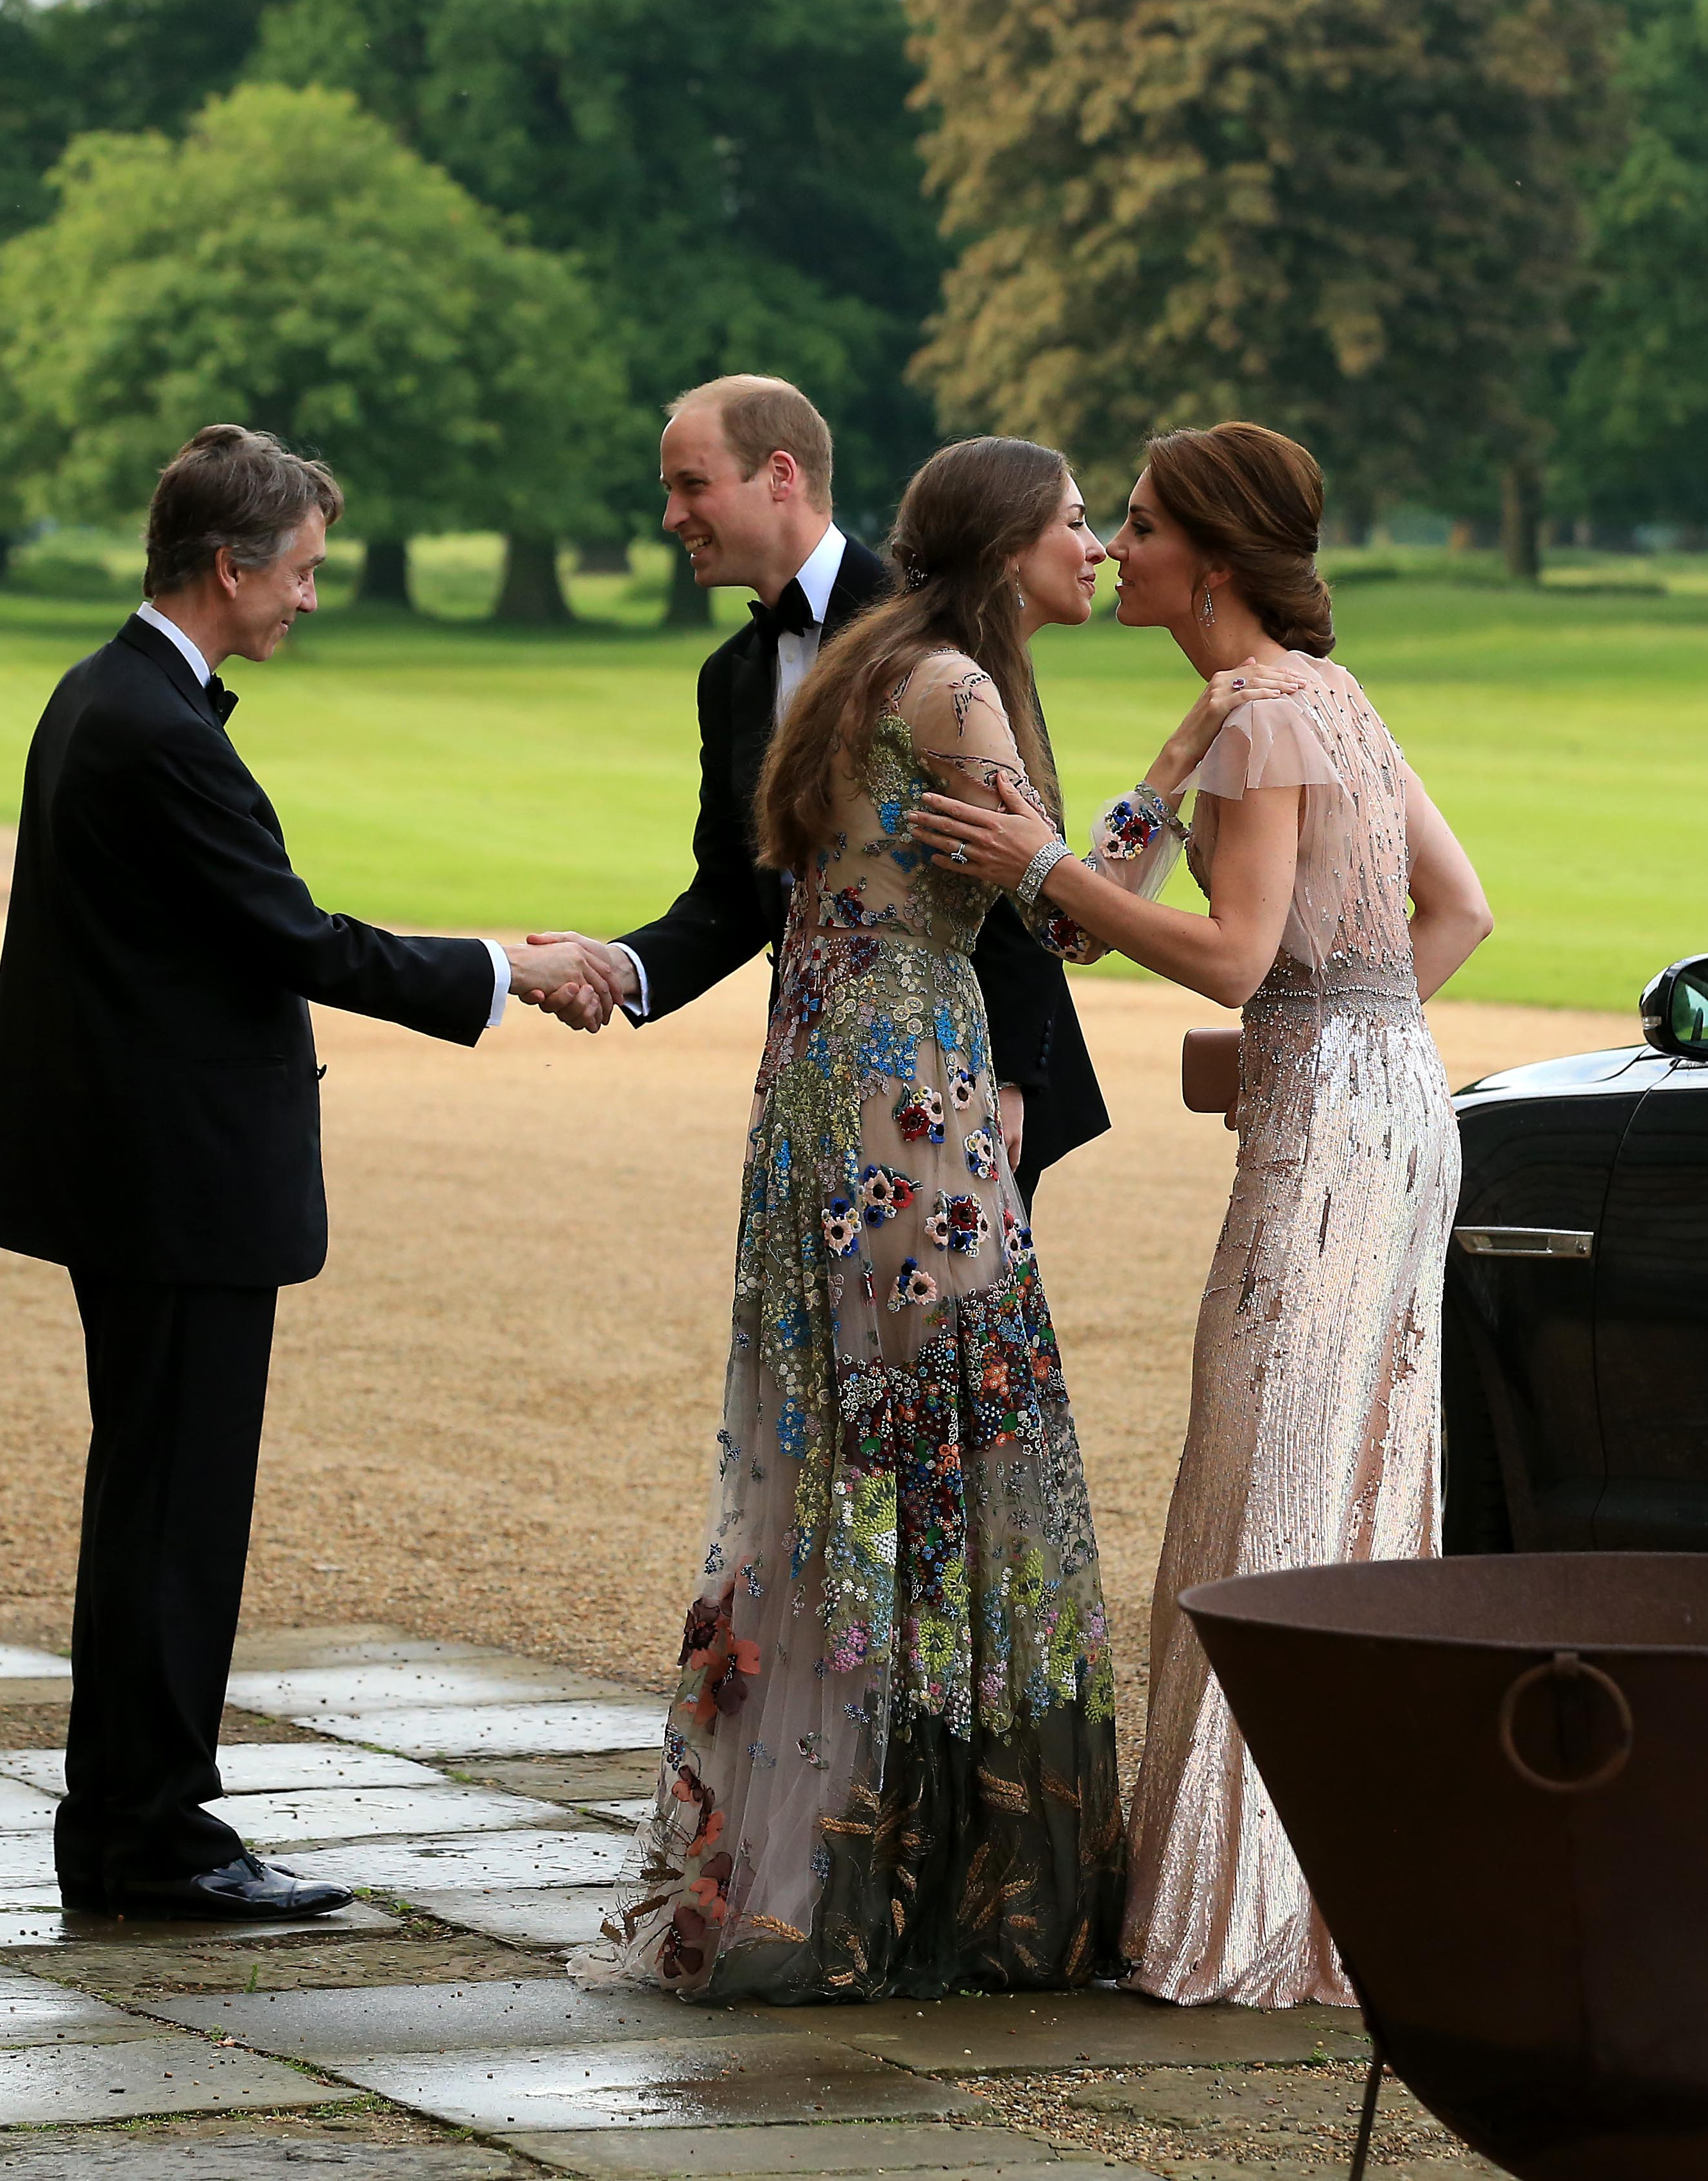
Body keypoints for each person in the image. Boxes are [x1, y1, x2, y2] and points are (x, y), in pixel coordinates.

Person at [0, 424, 612, 1920]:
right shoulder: (152, 728)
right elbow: (295, 937)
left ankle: (124, 1821)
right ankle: (157, 1838)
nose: (311, 596)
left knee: (154, 1506)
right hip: (173, 1185)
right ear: (230, 565)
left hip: (143, 1179)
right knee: (175, 1516)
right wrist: (508, 965)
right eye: (302, 569)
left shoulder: (109, 699)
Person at [910, 421, 1492, 2008]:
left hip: (1330, 1149)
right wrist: (1157, 787)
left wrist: (1041, 861)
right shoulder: (1305, 698)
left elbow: (1230, 951)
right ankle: (1327, 1895)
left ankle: (1247, 1923)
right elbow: (1460, 909)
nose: (1114, 547)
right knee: (1342, 1480)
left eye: (1144, 524)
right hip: (1394, 1112)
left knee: (1275, 1487)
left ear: (1212, 567)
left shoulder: (1272, 717)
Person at [573, 436, 1130, 2002]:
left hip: (827, 1085)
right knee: (936, 1450)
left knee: (853, 1451)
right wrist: (1199, 759)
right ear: (1009, 539)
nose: (1092, 545)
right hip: (907, 1101)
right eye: (1075, 522)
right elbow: (1067, 916)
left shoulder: (873, 660)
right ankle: (931, 1873)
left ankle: (823, 1852)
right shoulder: (955, 684)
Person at [530, 376, 1108, 1196]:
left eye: (692, 486)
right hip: (818, 1064)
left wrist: (1010, 1076)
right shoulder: (728, 676)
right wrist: (621, 968)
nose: (670, 518)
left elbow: (1013, 851)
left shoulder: (934, 627)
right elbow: (737, 890)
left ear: (779, 475)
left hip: (964, 1069)